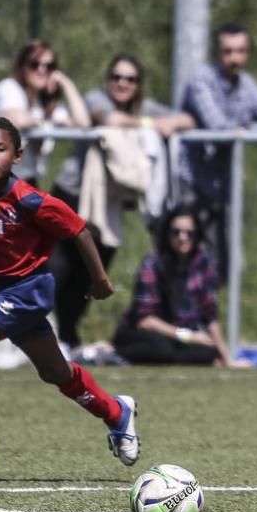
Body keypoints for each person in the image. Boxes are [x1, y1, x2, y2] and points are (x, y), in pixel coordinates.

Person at [0, 116, 139, 472]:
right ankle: (117, 413)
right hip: (0, 289)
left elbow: (80, 231)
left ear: (17, 155)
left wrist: (99, 279)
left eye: (0, 148)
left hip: (28, 291)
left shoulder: (31, 200)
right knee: (55, 372)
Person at [49, 53, 194, 355]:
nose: (122, 84)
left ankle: (68, 336)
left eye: (130, 79)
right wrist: (149, 124)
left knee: (91, 277)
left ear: (139, 85)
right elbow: (106, 118)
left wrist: (164, 122)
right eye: (116, 77)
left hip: (107, 209)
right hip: (72, 198)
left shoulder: (146, 108)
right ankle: (41, 336)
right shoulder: (95, 98)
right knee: (57, 270)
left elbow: (187, 119)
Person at [180, 23, 257, 283]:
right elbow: (218, 127)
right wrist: (243, 130)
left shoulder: (246, 83)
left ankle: (210, 320)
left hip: (223, 186)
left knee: (225, 266)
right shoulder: (202, 80)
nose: (234, 58)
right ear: (218, 53)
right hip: (191, 183)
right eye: (228, 51)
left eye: (240, 51)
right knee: (185, 260)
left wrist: (244, 129)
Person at [112, 206, 244, 367]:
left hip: (177, 336)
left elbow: (211, 316)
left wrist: (227, 358)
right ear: (167, 233)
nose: (183, 238)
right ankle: (113, 354)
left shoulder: (203, 263)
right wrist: (189, 336)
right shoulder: (153, 263)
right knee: (163, 349)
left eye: (189, 233)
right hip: (146, 333)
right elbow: (145, 320)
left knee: (208, 351)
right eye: (176, 232)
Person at [0, 39, 91, 185]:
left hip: (26, 182)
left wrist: (65, 83)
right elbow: (16, 119)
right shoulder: (9, 88)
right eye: (34, 64)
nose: (42, 70)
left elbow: (83, 124)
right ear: (23, 67)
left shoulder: (42, 104)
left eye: (49, 66)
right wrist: (42, 121)